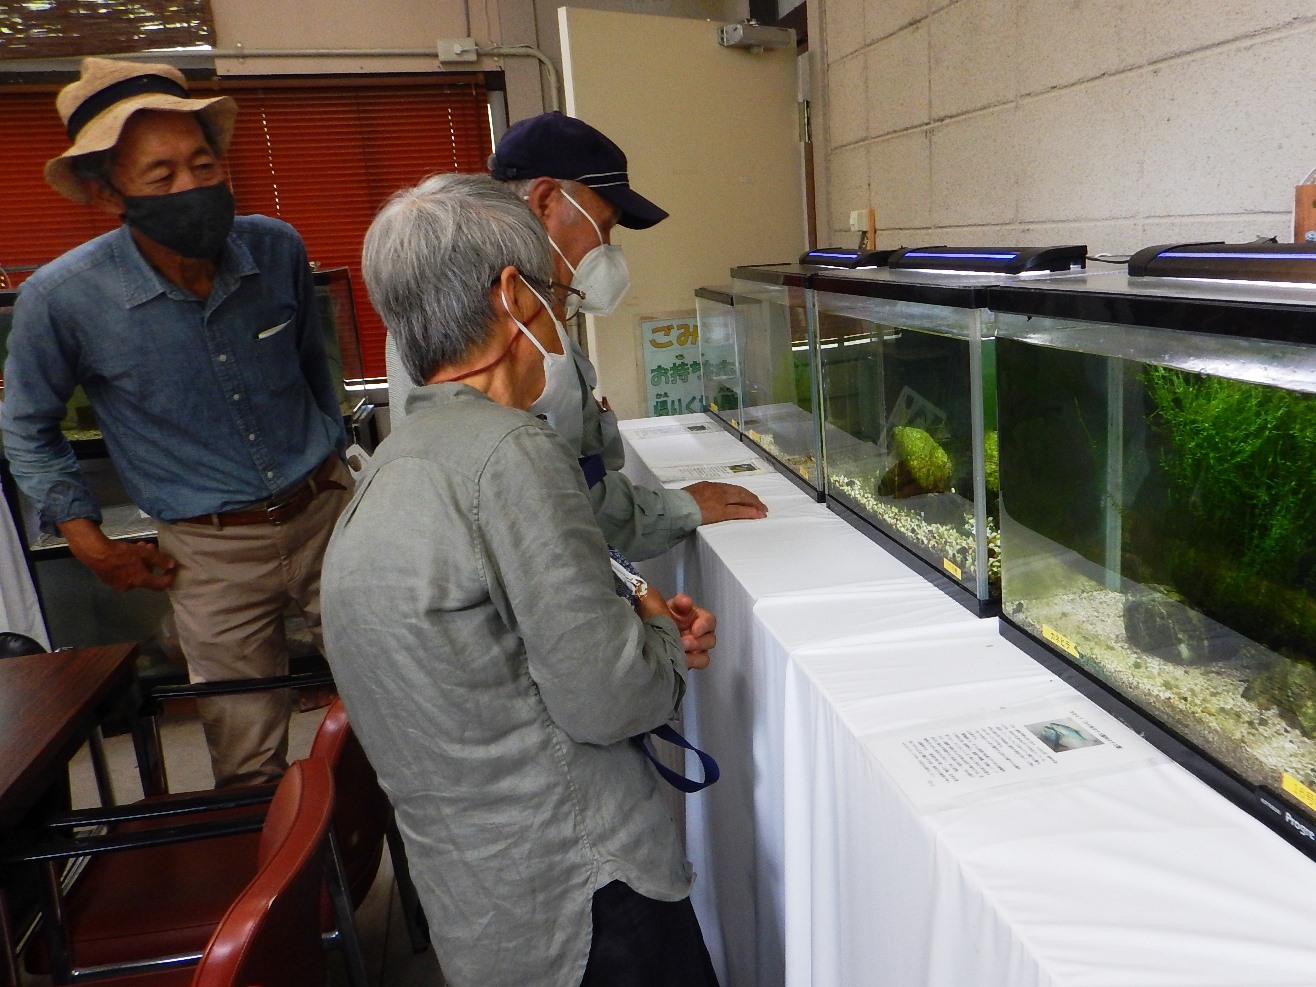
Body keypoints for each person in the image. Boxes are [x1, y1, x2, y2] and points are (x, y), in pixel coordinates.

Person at [323, 173, 721, 987]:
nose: (561, 314)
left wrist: (630, 638)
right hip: (587, 899)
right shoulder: (514, 453)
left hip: (482, 913)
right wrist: (657, 640)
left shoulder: (387, 475)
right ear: (513, 297)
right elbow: (611, 699)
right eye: (551, 291)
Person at [0, 57, 351, 788]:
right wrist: (87, 538)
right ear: (105, 191)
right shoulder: (63, 299)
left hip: (329, 516)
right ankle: (290, 900)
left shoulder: (276, 246)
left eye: (203, 162)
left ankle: (399, 883)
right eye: (160, 178)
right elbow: (27, 425)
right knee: (247, 753)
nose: (191, 186)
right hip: (209, 551)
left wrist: (338, 453)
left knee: (399, 706)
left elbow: (316, 367)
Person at [386, 111, 766, 561]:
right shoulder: (495, 331)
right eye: (603, 226)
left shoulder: (521, 307)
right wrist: (680, 511)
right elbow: (559, 501)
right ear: (545, 200)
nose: (607, 249)